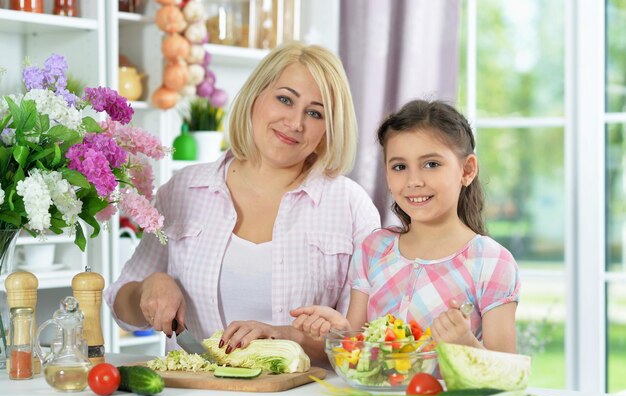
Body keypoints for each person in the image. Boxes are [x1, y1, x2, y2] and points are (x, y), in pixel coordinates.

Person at [103, 42, 380, 362]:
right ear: (255, 97)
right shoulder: (184, 190)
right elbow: (120, 306)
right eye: (285, 99)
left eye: (315, 113)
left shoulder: (350, 206)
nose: (295, 123)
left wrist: (289, 336)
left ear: (329, 128)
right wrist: (149, 287)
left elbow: (365, 344)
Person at [291, 99, 519, 353]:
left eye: (431, 164)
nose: (413, 181)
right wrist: (336, 332)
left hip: (446, 394)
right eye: (399, 167)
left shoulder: (491, 261)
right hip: (374, 394)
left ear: (467, 170)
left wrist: (464, 342)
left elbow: (505, 373)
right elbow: (355, 351)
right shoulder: (374, 249)